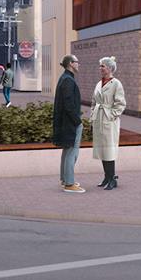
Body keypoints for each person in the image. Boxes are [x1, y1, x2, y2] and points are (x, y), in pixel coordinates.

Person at [91, 57, 127, 190]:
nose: (100, 68)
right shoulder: (98, 83)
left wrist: (111, 115)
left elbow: (121, 104)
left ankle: (112, 179)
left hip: (108, 120)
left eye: (103, 66)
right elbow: (93, 102)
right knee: (102, 149)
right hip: (98, 119)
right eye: (100, 66)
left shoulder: (116, 84)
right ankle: (106, 176)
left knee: (109, 150)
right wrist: (92, 117)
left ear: (110, 68)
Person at [53, 54, 84, 192]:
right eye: (77, 62)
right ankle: (69, 184)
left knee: (67, 152)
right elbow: (68, 104)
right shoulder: (68, 81)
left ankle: (65, 180)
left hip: (66, 122)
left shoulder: (64, 78)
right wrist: (77, 121)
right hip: (70, 123)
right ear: (71, 63)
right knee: (72, 153)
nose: (79, 64)